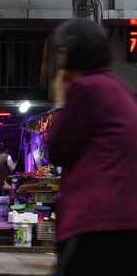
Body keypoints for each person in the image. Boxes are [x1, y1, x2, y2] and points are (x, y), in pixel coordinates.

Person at [48, 19, 137, 275]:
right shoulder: (120, 90)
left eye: (60, 51)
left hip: (95, 223)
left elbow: (57, 149)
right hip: (127, 223)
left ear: (68, 54)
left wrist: (60, 101)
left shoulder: (86, 89)